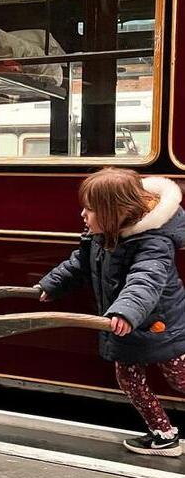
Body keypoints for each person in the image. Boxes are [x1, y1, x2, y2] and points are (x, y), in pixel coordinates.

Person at [37, 168, 185, 457]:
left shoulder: (153, 242)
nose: (82, 215)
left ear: (115, 212)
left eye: (90, 209)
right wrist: (51, 284)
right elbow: (78, 264)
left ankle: (162, 434)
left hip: (159, 325)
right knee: (129, 379)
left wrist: (126, 312)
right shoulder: (101, 234)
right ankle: (163, 435)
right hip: (124, 323)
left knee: (179, 378)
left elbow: (145, 280)